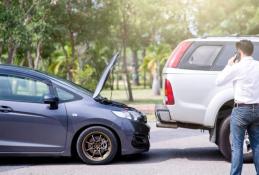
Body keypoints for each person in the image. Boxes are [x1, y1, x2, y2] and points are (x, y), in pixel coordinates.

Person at [216, 39, 259, 175]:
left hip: (241, 111)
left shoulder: (237, 67)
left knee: (237, 147)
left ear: (239, 52)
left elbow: (219, 81)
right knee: (257, 146)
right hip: (257, 109)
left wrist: (229, 65)